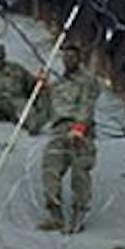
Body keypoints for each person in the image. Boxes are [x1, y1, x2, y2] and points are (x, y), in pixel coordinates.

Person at [36, 43, 100, 232]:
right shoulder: (58, 83)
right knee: (50, 169)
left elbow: (87, 106)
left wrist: (80, 127)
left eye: (72, 56)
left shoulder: (87, 81)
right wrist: (42, 90)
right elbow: (47, 109)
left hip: (80, 131)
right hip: (59, 131)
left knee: (80, 173)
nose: (68, 60)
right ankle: (56, 215)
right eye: (65, 56)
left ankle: (78, 215)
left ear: (79, 59)